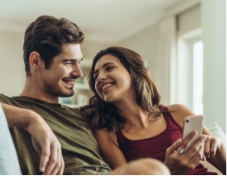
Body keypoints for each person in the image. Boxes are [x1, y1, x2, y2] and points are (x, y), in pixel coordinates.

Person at [0, 15, 170, 175]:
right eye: (68, 63)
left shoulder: (86, 115)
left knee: (153, 169)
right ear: (36, 61)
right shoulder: (7, 107)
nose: (79, 73)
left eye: (79, 63)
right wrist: (31, 120)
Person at [81, 46, 226, 175]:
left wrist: (218, 144)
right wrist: (169, 170)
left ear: (133, 72)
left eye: (109, 68)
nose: (99, 78)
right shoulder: (106, 131)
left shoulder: (178, 112)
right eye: (95, 76)